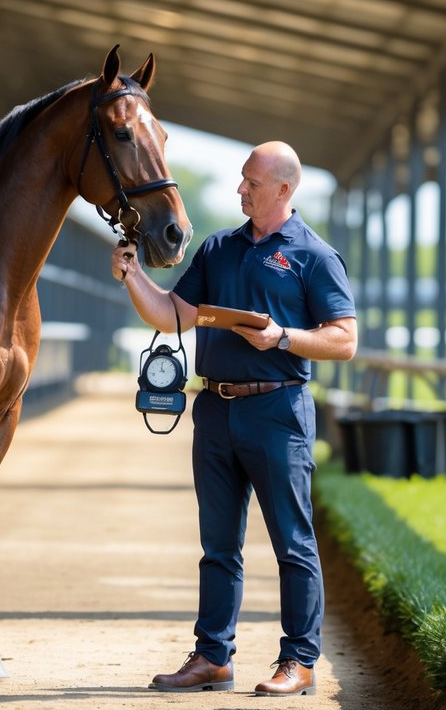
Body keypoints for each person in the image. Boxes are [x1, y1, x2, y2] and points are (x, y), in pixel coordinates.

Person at [111, 141, 357, 697]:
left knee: (293, 543)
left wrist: (283, 337)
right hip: (215, 411)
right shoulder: (219, 248)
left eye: (250, 181)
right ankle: (213, 657)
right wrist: (132, 275)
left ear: (283, 190)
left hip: (279, 410)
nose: (239, 189)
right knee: (218, 545)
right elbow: (175, 315)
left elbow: (344, 341)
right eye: (242, 179)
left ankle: (299, 661)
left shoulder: (315, 256)